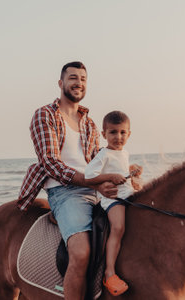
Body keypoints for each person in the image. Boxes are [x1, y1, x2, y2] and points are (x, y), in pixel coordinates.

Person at [16, 61, 118, 300]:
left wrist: (121, 169)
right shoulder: (45, 115)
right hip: (65, 192)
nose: (78, 83)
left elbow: (97, 160)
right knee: (81, 252)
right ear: (61, 83)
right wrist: (94, 182)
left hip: (94, 190)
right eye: (73, 78)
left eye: (83, 79)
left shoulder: (90, 124)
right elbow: (50, 162)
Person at [84, 111, 143, 296]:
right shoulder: (104, 155)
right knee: (118, 228)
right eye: (113, 132)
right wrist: (110, 177)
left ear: (129, 134)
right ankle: (109, 272)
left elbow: (121, 171)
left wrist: (132, 171)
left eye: (122, 132)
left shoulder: (124, 152)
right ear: (104, 135)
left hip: (128, 195)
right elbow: (89, 175)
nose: (118, 137)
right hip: (114, 199)